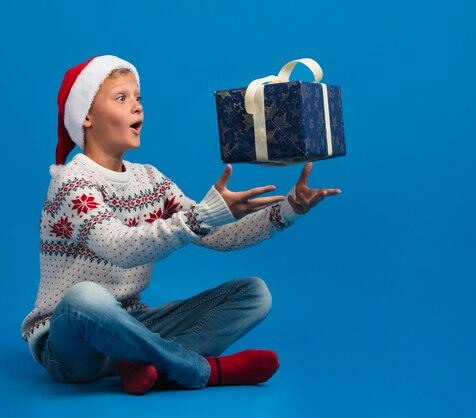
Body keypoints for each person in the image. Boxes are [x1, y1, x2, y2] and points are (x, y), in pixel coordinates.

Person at [20, 55, 340, 395]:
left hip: (131, 325)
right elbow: (119, 246)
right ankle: (200, 370)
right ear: (85, 116)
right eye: (121, 98)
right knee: (85, 298)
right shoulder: (72, 182)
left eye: (138, 98)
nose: (138, 108)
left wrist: (288, 210)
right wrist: (203, 215)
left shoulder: (150, 179)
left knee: (254, 294)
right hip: (71, 343)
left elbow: (217, 234)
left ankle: (139, 360)